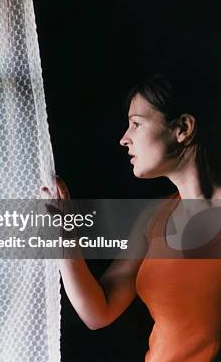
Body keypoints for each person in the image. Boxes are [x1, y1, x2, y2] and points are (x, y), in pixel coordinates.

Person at [42, 73, 221, 361]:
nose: (124, 139)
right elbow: (99, 312)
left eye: (136, 124)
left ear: (183, 128)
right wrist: (64, 239)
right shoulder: (156, 215)